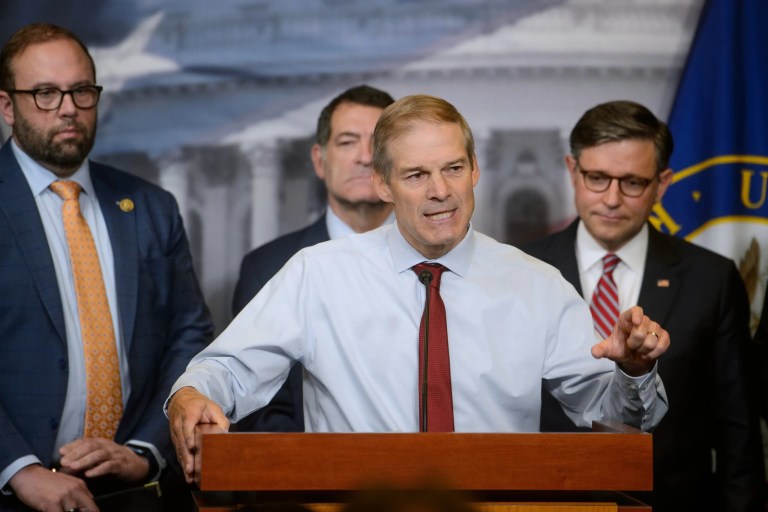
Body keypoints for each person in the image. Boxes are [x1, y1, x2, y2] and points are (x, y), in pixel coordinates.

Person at [166, 94, 670, 486]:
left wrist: (632, 370)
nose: (440, 191)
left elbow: (618, 421)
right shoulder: (318, 274)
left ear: (475, 170)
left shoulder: (537, 285)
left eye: (453, 168)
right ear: (383, 184)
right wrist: (191, 395)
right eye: (416, 175)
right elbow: (225, 371)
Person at [0, 23, 213, 511]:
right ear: (8, 106)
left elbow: (190, 336)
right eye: (46, 94)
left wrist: (146, 450)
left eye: (81, 91)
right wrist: (20, 469)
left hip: (135, 490)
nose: (69, 108)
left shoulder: (152, 207)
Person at [522, 100, 765, 511]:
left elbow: (737, 434)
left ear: (662, 184)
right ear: (572, 171)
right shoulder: (523, 271)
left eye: (632, 182)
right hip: (549, 500)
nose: (613, 199)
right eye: (597, 178)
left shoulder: (713, 279)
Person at [231, 84, 395, 432]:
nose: (366, 157)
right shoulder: (266, 269)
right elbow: (258, 409)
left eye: (379, 144)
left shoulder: (441, 262)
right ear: (320, 161)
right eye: (348, 142)